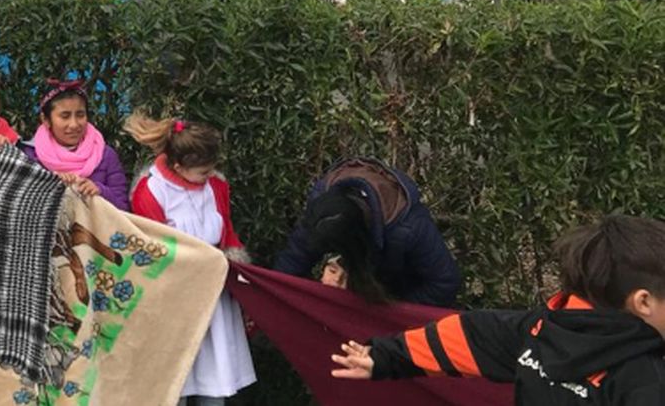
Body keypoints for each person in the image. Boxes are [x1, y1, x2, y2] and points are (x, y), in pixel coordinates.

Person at [331, 214, 665, 403]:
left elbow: (469, 335)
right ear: (643, 302)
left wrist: (387, 355)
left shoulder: (542, 330)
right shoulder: (643, 378)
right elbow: (471, 335)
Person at [127, 115, 256, 406]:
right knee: (174, 385)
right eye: (202, 172)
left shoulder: (216, 186)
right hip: (173, 299)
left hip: (214, 299)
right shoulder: (151, 191)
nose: (209, 176)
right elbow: (151, 250)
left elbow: (228, 233)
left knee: (215, 383)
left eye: (212, 169)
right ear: (177, 166)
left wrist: (242, 275)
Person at [274, 157, 461, 307]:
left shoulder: (409, 227)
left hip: (394, 300)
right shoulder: (323, 202)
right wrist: (273, 300)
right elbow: (295, 258)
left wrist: (392, 311)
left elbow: (444, 283)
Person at [20, 79, 129, 210]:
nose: (74, 124)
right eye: (65, 116)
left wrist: (100, 191)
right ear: (46, 120)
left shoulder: (105, 155)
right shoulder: (30, 157)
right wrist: (50, 184)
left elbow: (123, 208)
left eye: (80, 115)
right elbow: (20, 204)